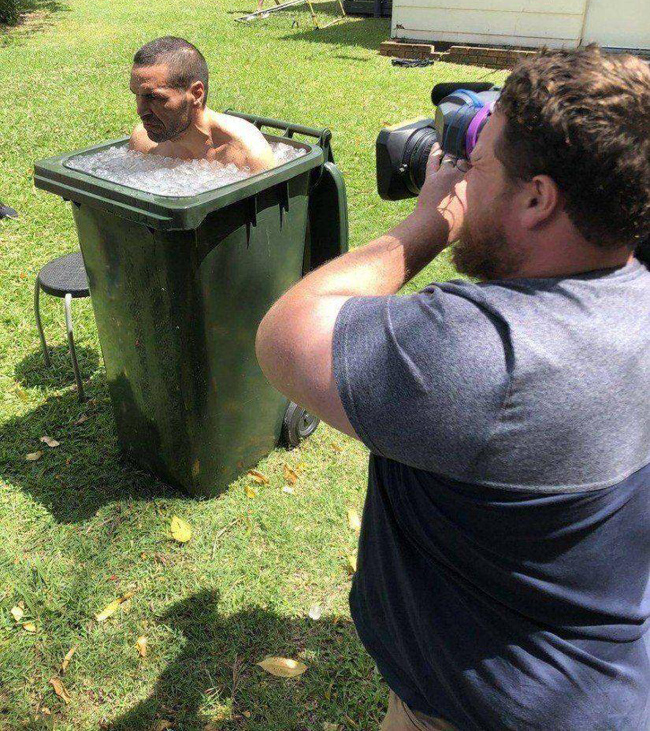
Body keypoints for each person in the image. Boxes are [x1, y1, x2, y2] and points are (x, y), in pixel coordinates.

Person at [256, 46, 650, 730]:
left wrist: (431, 220)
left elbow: (285, 334)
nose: (467, 174)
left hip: (480, 709)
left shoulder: (485, 354)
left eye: (483, 163)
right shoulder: (632, 295)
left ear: (537, 197)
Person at [129, 36, 275, 173]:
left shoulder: (245, 156)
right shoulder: (142, 142)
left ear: (196, 94)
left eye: (154, 97)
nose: (140, 110)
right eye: (136, 94)